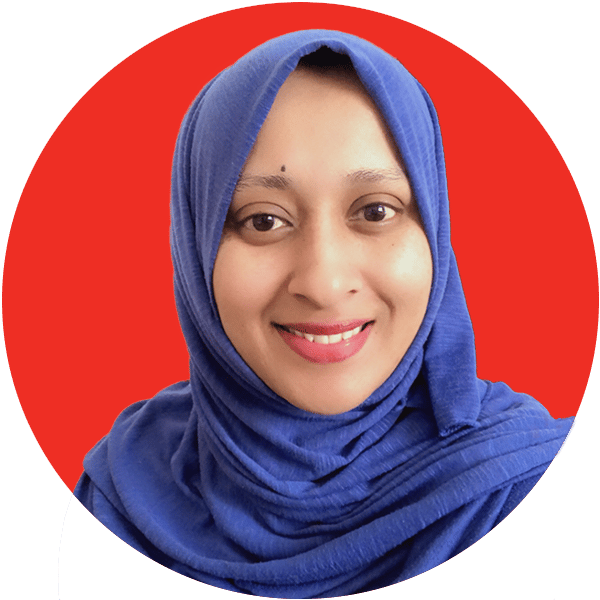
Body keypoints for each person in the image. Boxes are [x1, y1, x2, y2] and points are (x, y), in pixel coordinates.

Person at [74, 30, 574, 598]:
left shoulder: (534, 491)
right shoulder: (119, 494)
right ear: (195, 244)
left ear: (434, 230)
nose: (324, 283)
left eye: (376, 211)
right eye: (264, 220)